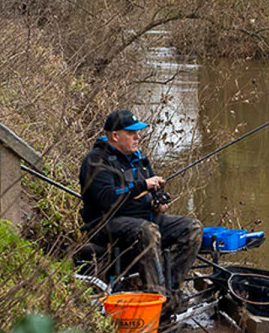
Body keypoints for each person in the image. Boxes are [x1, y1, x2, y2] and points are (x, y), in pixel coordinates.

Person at [79, 110, 202, 314]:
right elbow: (107, 198)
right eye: (131, 133)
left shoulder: (140, 159)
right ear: (115, 135)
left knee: (192, 227)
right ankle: (157, 298)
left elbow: (153, 193)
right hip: (106, 223)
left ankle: (170, 291)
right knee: (147, 231)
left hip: (145, 218)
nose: (138, 137)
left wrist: (158, 202)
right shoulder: (96, 161)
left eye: (138, 132)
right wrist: (142, 185)